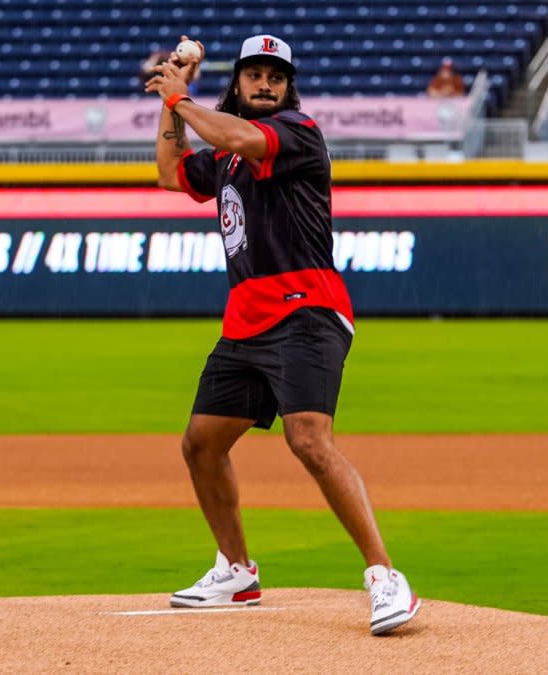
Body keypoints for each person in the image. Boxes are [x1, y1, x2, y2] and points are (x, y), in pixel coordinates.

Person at [145, 33, 421, 636]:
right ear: (238, 82)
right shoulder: (222, 156)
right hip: (246, 315)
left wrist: (181, 99)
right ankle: (237, 571)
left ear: (287, 86)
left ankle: (384, 576)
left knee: (309, 440)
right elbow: (169, 174)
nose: (265, 84)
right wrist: (173, 108)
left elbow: (237, 134)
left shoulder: (297, 131)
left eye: (275, 75)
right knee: (200, 445)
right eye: (254, 74)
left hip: (307, 307)